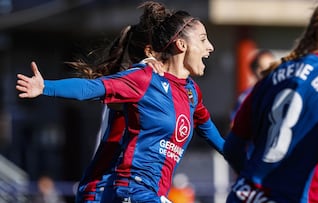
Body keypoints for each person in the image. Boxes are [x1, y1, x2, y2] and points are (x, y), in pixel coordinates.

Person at [16, 8, 224, 203]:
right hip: (107, 189)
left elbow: (208, 128)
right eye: (203, 39)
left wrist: (240, 157)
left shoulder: (188, 91)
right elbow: (91, 88)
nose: (210, 47)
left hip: (144, 192)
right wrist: (45, 87)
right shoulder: (143, 79)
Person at [223, 0, 318, 202]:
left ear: (312, 35)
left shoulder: (270, 77)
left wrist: (255, 185)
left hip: (243, 196)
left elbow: (232, 147)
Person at [68, 2, 171, 203]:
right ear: (150, 53)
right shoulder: (135, 84)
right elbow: (86, 90)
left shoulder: (165, 89)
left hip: (122, 191)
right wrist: (44, 86)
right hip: (101, 190)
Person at [230, 49, 275, 122]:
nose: (268, 72)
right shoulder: (247, 96)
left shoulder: (281, 91)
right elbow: (234, 123)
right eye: (263, 67)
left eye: (272, 68)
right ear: (255, 70)